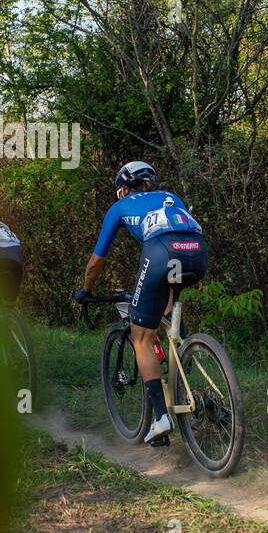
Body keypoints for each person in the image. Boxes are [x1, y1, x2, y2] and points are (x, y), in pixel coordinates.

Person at [74, 162, 207, 444]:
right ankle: (183, 358)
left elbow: (97, 260)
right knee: (166, 312)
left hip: (161, 251)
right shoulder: (170, 196)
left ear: (122, 189)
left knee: (141, 337)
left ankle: (161, 418)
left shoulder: (119, 206)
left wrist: (85, 291)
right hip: (197, 251)